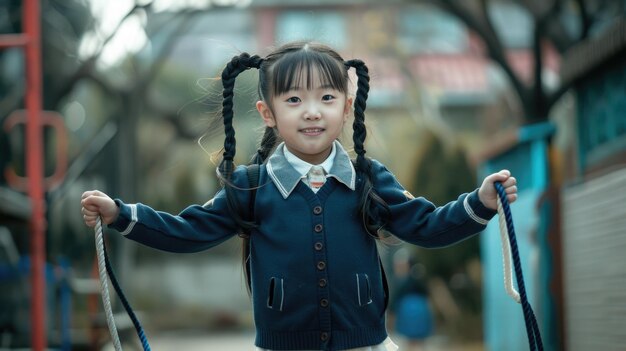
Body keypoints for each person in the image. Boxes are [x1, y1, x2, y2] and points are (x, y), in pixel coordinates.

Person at [81, 41, 517, 351]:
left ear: (346, 107)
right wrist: (122, 214)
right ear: (268, 113)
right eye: (294, 99)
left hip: (363, 345)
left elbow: (426, 225)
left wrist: (478, 203)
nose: (311, 110)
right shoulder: (251, 186)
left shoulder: (367, 179)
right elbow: (188, 230)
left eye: (326, 97)